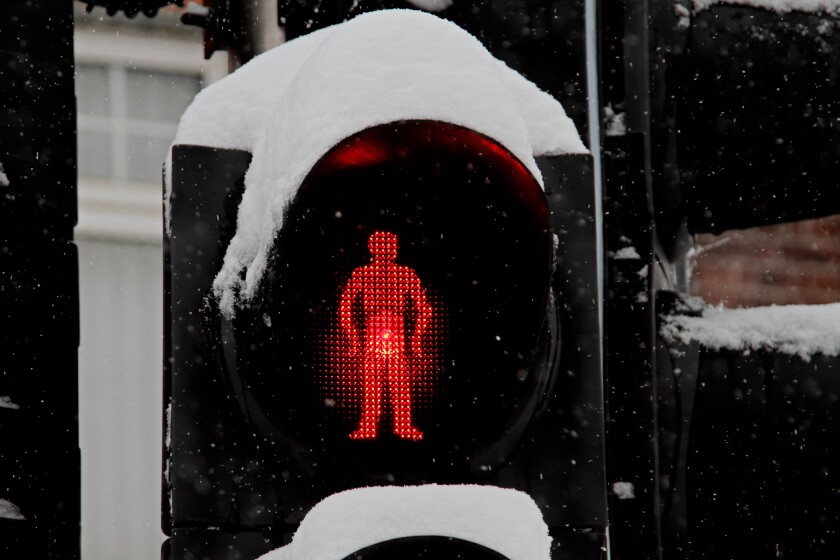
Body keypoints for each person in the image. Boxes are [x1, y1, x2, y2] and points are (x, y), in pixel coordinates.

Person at [339, 231, 432, 441]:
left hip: (396, 333)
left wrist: (416, 339)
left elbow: (424, 308)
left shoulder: (406, 274)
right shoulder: (361, 274)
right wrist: (354, 339)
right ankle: (370, 427)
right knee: (372, 382)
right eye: (382, 246)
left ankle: (402, 426)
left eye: (390, 246)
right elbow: (345, 307)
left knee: (398, 383)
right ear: (372, 249)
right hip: (373, 332)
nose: (386, 250)